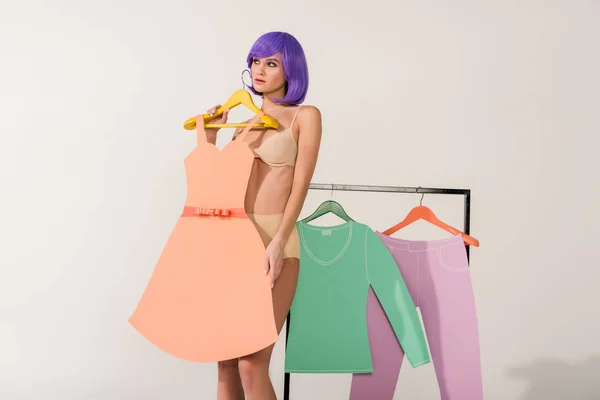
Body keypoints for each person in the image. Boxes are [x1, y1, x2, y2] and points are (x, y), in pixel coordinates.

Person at [204, 31, 322, 400]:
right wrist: (209, 138)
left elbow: (301, 184)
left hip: (277, 243)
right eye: (256, 61)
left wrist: (277, 242)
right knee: (225, 361)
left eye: (271, 63)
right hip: (234, 243)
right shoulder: (244, 122)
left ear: (290, 71)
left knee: (251, 364)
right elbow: (216, 184)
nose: (260, 70)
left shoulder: (306, 116)